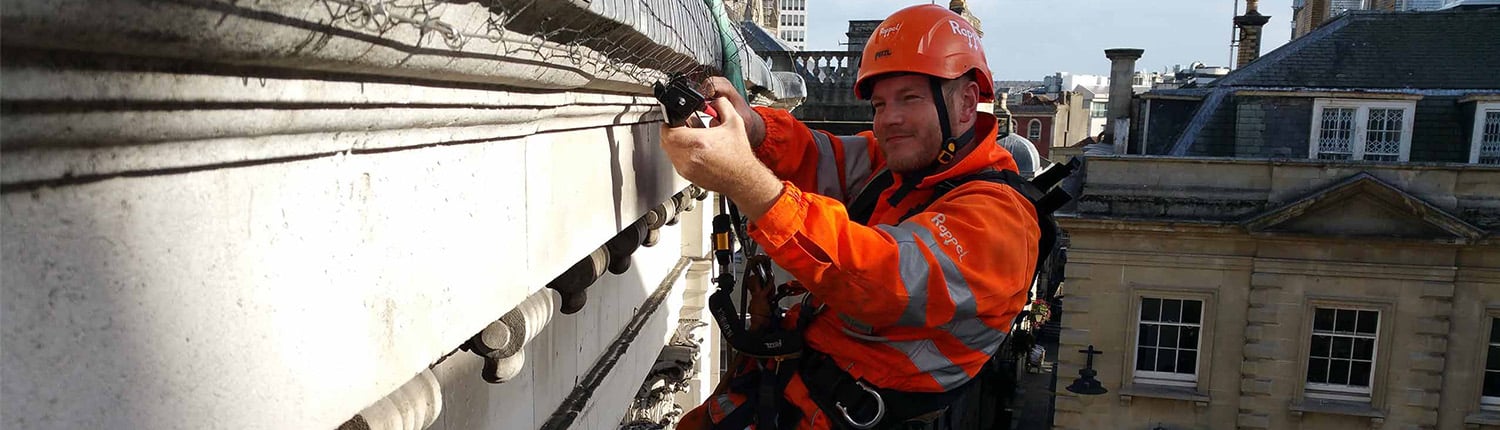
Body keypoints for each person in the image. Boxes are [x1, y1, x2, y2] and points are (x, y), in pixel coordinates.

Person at [660, 4, 1040, 429]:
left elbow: (883, 280)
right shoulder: (906, 164)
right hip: (788, 392)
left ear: (967, 103)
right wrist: (753, 128)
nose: (888, 119)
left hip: (841, 413)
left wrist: (745, 181)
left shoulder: (1001, 224)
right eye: (879, 104)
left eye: (909, 98)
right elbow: (825, 158)